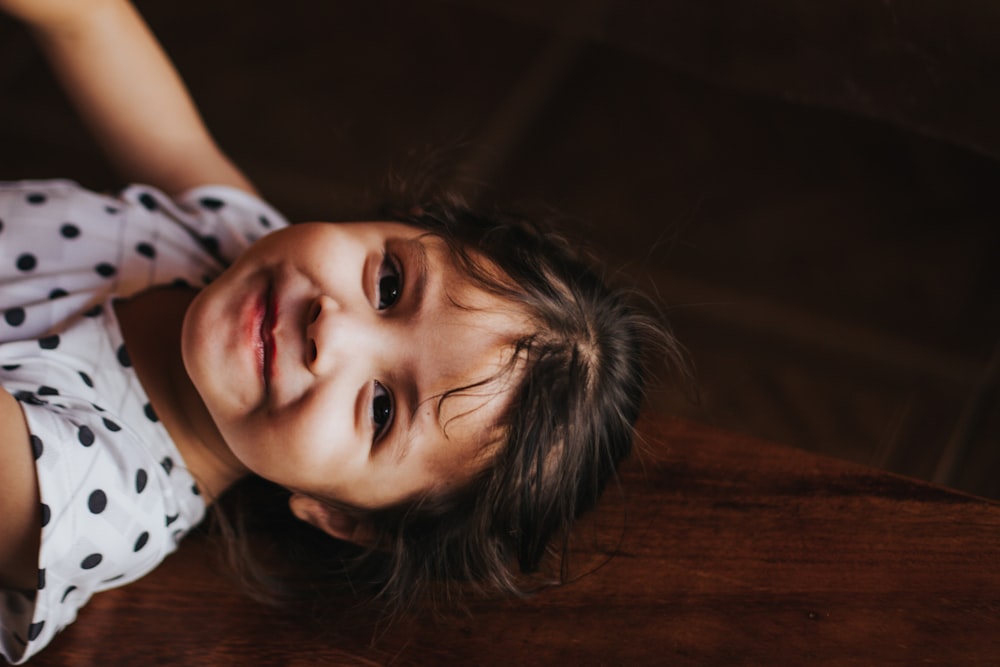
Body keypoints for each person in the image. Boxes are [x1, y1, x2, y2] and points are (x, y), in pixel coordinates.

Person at [0, 0, 686, 663]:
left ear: (341, 515)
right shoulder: (233, 241)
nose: (333, 328)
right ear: (407, 218)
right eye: (390, 284)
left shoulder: (99, 488)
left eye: (382, 408)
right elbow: (89, 21)